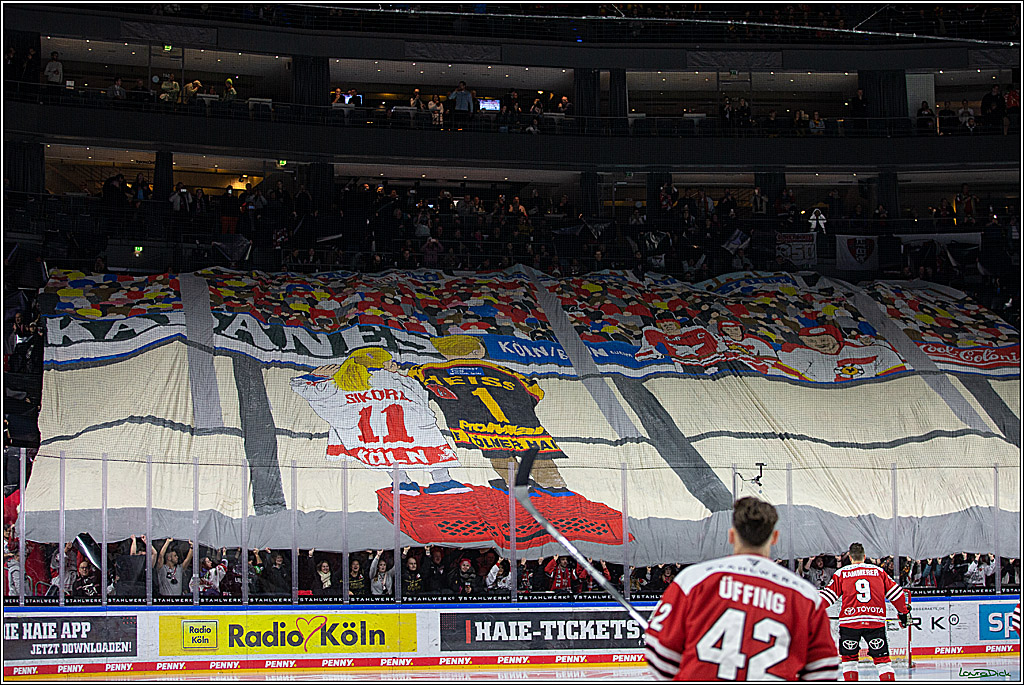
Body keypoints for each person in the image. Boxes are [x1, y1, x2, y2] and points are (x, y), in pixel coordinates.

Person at [644, 497, 838, 681]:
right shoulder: (803, 594)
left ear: (731, 535)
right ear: (774, 537)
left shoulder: (694, 580)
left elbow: (659, 654)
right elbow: (823, 670)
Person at [820, 542, 910, 681]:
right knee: (883, 663)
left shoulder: (842, 573)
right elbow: (897, 594)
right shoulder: (878, 572)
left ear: (850, 557)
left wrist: (808, 610)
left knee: (849, 662)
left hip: (849, 623)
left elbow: (827, 598)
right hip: (875, 622)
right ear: (864, 556)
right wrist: (903, 613)